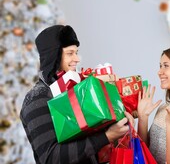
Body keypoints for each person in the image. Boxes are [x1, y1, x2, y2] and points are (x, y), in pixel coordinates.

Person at [20, 24, 133, 164]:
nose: (77, 58)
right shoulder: (37, 98)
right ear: (53, 56)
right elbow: (50, 158)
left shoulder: (75, 90)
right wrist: (106, 136)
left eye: (76, 52)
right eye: (70, 53)